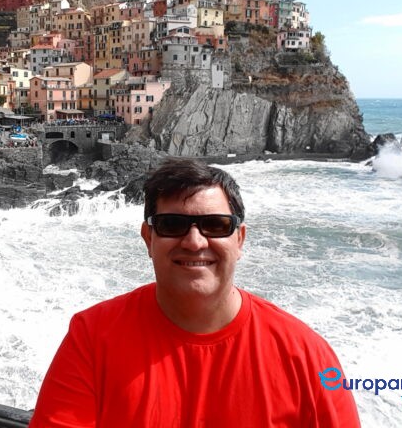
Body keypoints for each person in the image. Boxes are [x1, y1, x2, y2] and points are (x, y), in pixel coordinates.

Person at [30, 157, 360, 427]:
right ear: (149, 238)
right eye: (172, 225)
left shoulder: (306, 356)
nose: (194, 242)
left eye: (215, 225)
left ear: (240, 239)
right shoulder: (92, 337)